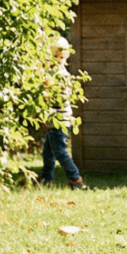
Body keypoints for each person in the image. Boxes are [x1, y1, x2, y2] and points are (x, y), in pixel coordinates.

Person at [40, 37, 85, 190]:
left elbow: (53, 95)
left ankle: (76, 178)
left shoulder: (56, 73)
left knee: (59, 152)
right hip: (59, 119)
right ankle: (45, 179)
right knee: (48, 153)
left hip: (58, 119)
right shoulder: (61, 72)